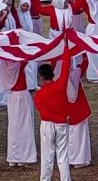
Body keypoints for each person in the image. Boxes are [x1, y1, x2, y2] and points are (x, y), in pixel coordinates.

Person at [35, 42, 72, 181]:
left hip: (47, 125)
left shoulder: (39, 95)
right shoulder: (60, 85)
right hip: (62, 123)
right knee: (63, 155)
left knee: (47, 156)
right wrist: (66, 47)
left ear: (42, 78)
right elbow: (66, 67)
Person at [0, 59, 37, 167]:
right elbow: (27, 57)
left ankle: (13, 156)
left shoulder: (4, 63)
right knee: (25, 125)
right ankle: (24, 156)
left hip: (13, 97)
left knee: (14, 126)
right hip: (22, 96)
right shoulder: (18, 63)